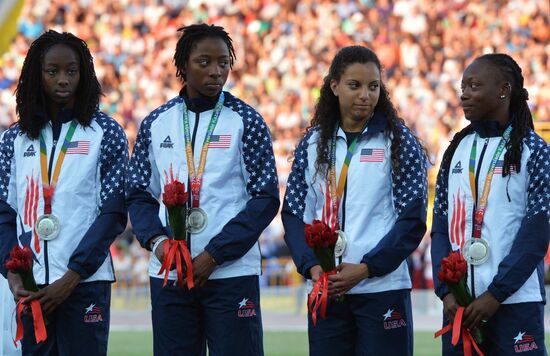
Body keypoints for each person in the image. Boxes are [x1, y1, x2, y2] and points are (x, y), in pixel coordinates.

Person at [126, 24, 279, 356]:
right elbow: (138, 192)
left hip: (230, 273)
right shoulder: (156, 122)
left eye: (223, 62)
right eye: (204, 62)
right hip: (170, 275)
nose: (216, 71)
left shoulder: (247, 121)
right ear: (183, 66)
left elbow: (265, 199)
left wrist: (214, 256)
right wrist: (159, 244)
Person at [282, 46, 427, 356]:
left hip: (381, 290)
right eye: (355, 85)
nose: (365, 95)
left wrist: (367, 268)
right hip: (326, 289)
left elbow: (412, 220)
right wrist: (312, 267)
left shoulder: (398, 141)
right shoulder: (313, 142)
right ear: (334, 86)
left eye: (373, 87)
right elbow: (294, 213)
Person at [0, 30, 128, 354]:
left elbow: (112, 213)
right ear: (36, 75)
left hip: (84, 285)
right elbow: (3, 214)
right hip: (30, 288)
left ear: (84, 75)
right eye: (52, 71)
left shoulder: (106, 132)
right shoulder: (14, 139)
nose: (63, 80)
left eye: (72, 71)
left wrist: (72, 277)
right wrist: (12, 276)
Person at [431, 53, 549, 355]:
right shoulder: (456, 148)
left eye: (474, 86)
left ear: (504, 89)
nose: (464, 94)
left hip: (514, 303)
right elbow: (441, 229)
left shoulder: (534, 151)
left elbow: (536, 235)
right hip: (461, 307)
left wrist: (495, 294)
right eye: (463, 87)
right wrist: (446, 292)